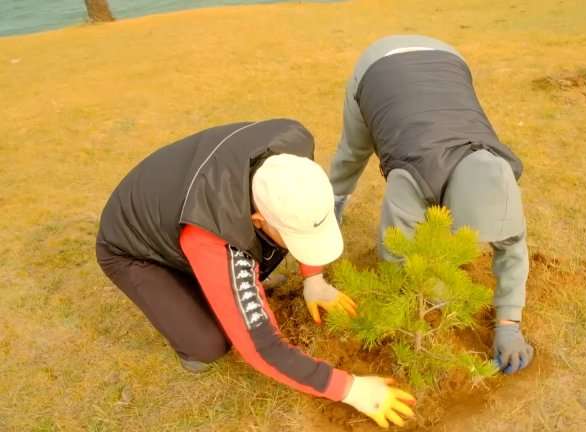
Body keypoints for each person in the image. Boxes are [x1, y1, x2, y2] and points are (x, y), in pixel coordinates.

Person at [96, 119, 415, 428]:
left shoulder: (293, 156)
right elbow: (262, 348)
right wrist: (352, 390)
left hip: (175, 197)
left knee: (258, 262)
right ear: (257, 219)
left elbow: (301, 215)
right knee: (208, 344)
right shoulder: (212, 232)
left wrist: (314, 281)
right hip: (133, 250)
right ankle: (184, 296)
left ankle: (202, 282)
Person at [329, 35, 534, 374]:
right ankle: (331, 207)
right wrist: (439, 297)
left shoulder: (502, 172)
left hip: (447, 60)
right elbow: (395, 253)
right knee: (352, 154)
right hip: (378, 71)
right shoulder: (410, 177)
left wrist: (509, 324)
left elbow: (513, 246)